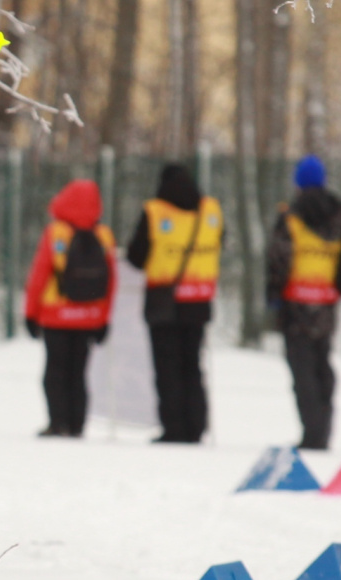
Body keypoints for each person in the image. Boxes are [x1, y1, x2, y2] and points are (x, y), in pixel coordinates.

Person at [266, 155, 341, 450]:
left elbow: (279, 258)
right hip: (326, 305)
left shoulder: (291, 217)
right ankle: (323, 429)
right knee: (322, 365)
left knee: (302, 371)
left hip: (295, 305)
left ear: (298, 183)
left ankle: (312, 433)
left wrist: (274, 294)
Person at [125, 163, 223, 443]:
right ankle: (196, 426)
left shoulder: (155, 212)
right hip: (199, 301)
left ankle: (174, 427)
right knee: (193, 365)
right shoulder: (210, 211)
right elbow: (221, 242)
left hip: (164, 301)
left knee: (167, 367)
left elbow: (136, 256)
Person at [23, 179, 116, 437]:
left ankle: (58, 423)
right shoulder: (104, 235)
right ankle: (77, 425)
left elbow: (39, 276)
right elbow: (111, 282)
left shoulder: (56, 233)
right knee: (79, 373)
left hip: (56, 316)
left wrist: (31, 313)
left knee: (55, 372)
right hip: (89, 318)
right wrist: (104, 318)